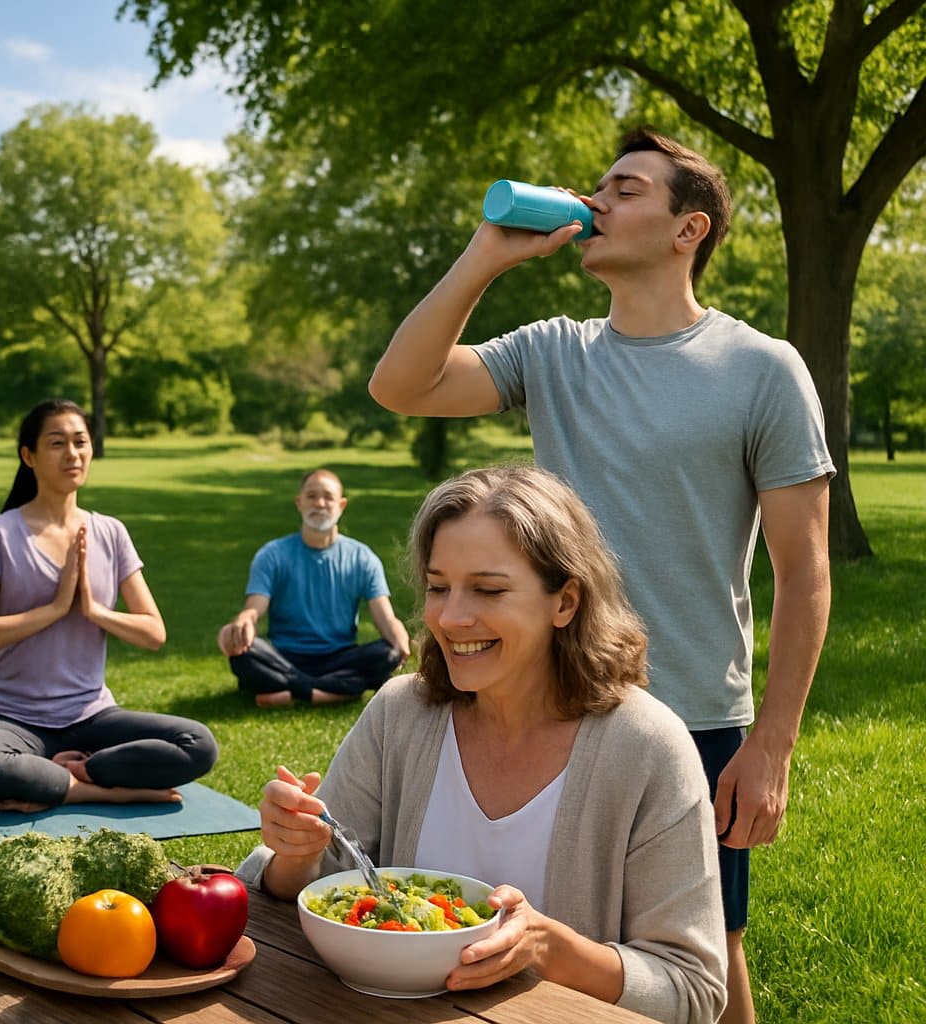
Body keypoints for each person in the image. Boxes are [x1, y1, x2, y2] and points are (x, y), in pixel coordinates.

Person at [367, 128, 832, 1023]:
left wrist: (771, 743)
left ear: (688, 228)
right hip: (545, 693)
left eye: (625, 189)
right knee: (547, 935)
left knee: (706, 950)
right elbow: (402, 385)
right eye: (599, 187)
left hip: (691, 709)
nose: (596, 201)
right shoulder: (553, 351)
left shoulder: (762, 370)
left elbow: (803, 575)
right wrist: (486, 256)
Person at [245, 466, 727, 1024]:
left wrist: (551, 950)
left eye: (489, 589)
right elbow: (304, 888)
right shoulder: (401, 713)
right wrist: (295, 852)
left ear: (565, 602)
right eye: (438, 586)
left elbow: (693, 991)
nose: (451, 618)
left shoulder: (646, 747)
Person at [0, 399, 219, 813]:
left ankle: (71, 773)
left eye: (80, 442)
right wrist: (54, 609)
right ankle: (96, 790)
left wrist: (93, 611)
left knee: (197, 744)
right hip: (7, 717)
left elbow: (154, 632)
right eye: (57, 443)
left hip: (91, 719)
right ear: (29, 456)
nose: (72, 454)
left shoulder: (110, 532)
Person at [218, 469, 411, 708]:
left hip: (339, 657)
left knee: (387, 654)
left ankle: (291, 692)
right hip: (285, 656)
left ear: (341, 505)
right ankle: (336, 692)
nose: (319, 503)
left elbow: (386, 617)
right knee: (243, 654)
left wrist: (400, 641)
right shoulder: (272, 554)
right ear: (299, 503)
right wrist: (242, 623)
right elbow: (254, 609)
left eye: (328, 497)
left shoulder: (363, 557)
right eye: (311, 496)